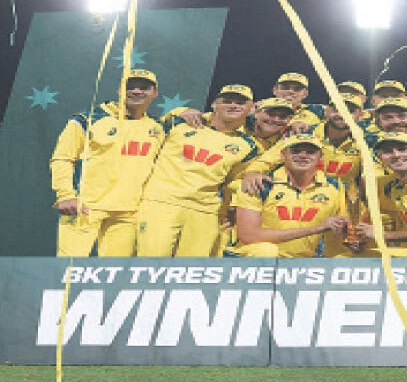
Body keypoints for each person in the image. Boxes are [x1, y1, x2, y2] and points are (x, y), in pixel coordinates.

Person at [50, 69, 164, 257]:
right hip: (85, 207)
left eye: (144, 87)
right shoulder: (87, 119)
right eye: (130, 87)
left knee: (114, 275)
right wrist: (65, 195)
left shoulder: (157, 128)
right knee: (69, 271)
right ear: (120, 90)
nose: (136, 91)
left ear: (155, 93)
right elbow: (62, 158)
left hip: (128, 213)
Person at [136, 84, 258, 257]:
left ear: (251, 108)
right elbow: (146, 125)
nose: (233, 106)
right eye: (227, 101)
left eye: (240, 103)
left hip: (205, 211)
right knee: (152, 264)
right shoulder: (179, 123)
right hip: (161, 202)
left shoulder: (248, 146)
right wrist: (177, 111)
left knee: (192, 272)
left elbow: (234, 180)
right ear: (215, 104)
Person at [226, 134, 349, 257]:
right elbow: (249, 235)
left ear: (321, 157)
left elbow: (342, 229)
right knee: (266, 251)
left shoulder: (334, 187)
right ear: (283, 155)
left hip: (300, 263)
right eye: (295, 151)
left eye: (310, 152)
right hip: (252, 260)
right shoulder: (259, 184)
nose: (303, 156)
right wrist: (317, 228)